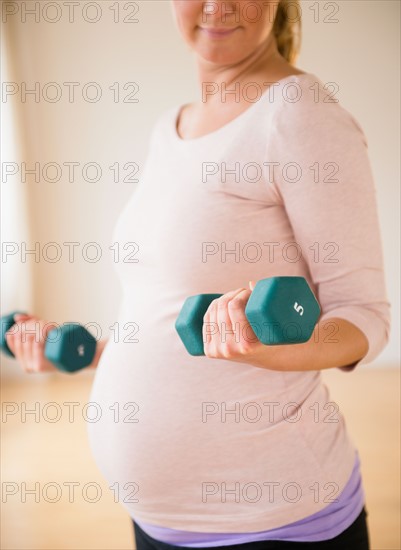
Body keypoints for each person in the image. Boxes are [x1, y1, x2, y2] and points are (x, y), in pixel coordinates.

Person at [6, 1, 390, 548]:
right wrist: (84, 350)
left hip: (274, 522)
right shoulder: (170, 128)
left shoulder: (302, 115)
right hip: (157, 523)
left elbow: (364, 318)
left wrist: (267, 349)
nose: (218, 4)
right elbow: (169, 312)